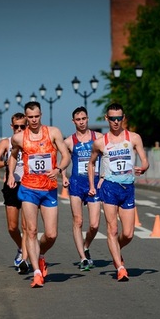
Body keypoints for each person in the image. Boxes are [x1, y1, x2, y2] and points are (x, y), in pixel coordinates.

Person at [7, 101, 70, 288]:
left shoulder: (53, 132)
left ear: (41, 115)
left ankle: (40, 255)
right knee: (31, 231)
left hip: (49, 188)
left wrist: (58, 169)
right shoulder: (19, 138)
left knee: (51, 234)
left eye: (36, 116)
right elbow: (13, 155)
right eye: (30, 117)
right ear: (26, 117)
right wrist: (11, 174)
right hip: (28, 189)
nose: (33, 120)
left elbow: (66, 156)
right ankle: (36, 272)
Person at [88, 103, 149, 282]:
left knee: (128, 233)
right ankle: (120, 267)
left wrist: (143, 168)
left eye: (119, 118)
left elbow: (145, 160)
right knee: (112, 229)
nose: (116, 122)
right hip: (109, 188)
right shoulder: (100, 142)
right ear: (107, 119)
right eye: (112, 118)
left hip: (128, 187)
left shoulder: (134, 138)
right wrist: (93, 184)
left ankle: (115, 250)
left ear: (123, 118)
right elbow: (91, 163)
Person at [62, 106, 103, 271]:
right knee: (78, 221)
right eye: (78, 119)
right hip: (77, 184)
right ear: (73, 121)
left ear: (87, 119)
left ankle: (86, 245)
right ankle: (83, 258)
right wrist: (63, 176)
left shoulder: (98, 137)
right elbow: (64, 159)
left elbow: (106, 156)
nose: (81, 122)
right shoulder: (69, 141)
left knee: (94, 225)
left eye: (84, 119)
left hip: (94, 183)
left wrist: (103, 177)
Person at [0, 112, 29, 274]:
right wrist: (8, 161)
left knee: (26, 227)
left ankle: (26, 258)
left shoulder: (30, 141)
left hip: (28, 185)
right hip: (11, 186)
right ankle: (21, 248)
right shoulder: (6, 143)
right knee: (12, 227)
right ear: (11, 126)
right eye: (16, 126)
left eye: (23, 126)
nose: (19, 129)